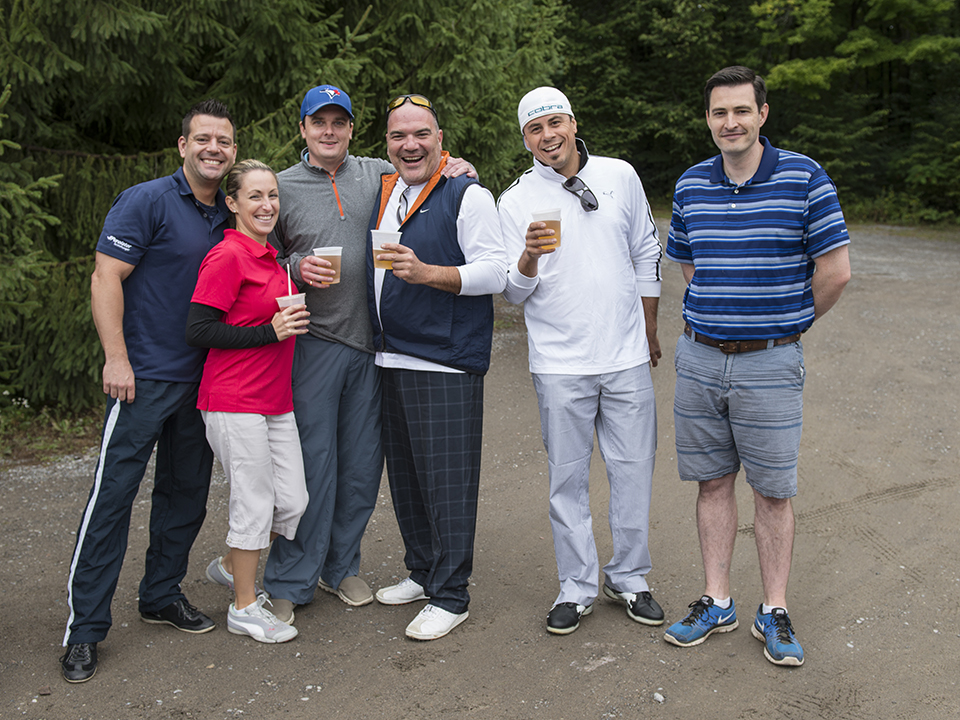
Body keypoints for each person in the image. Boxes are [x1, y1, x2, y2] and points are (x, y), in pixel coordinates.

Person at [263, 85, 475, 624]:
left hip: (375, 348)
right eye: (319, 122)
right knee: (311, 468)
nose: (329, 131)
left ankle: (341, 567)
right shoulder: (281, 187)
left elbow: (423, 164)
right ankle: (290, 579)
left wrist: (458, 167)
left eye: (339, 122)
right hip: (314, 341)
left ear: (353, 130)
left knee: (361, 469)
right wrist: (295, 267)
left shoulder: (378, 174)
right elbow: (259, 256)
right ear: (303, 129)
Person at [662, 66, 851, 667]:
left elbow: (835, 272)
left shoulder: (804, 177)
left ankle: (773, 609)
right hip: (699, 357)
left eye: (741, 110)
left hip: (770, 361)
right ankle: (717, 601)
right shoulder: (691, 184)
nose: (731, 122)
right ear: (708, 118)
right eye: (719, 112)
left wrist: (786, 324)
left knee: (771, 491)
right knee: (712, 482)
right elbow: (691, 266)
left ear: (762, 114)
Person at [61, 99, 237, 683]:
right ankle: (85, 630)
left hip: (203, 382)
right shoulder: (147, 200)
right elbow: (105, 276)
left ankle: (160, 594)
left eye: (224, 141)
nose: (214, 149)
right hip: (142, 380)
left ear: (233, 151)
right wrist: (117, 357)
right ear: (183, 145)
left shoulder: (230, 212)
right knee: (112, 500)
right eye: (203, 139)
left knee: (185, 497)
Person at [498, 87, 664, 635]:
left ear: (573, 122)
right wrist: (528, 256)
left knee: (633, 471)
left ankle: (630, 577)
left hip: (625, 354)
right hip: (559, 363)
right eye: (535, 129)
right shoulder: (514, 200)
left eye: (555, 122)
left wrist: (649, 327)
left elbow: (645, 250)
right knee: (566, 479)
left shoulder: (620, 175)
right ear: (525, 140)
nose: (548, 136)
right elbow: (513, 292)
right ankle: (576, 585)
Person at [367, 93, 507, 641]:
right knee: (406, 478)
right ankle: (423, 572)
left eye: (421, 134)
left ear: (440, 140)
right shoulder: (388, 190)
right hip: (389, 355)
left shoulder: (468, 193)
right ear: (387, 144)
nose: (410, 144)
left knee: (447, 483)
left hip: (444, 360)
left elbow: (495, 272)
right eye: (399, 136)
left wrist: (428, 273)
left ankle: (451, 595)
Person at [186, 159, 310, 643]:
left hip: (275, 399)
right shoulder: (228, 256)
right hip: (233, 398)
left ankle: (228, 564)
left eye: (272, 195)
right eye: (255, 196)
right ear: (232, 203)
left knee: (293, 502)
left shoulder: (270, 258)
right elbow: (198, 330)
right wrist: (268, 332)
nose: (266, 204)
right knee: (254, 502)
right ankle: (243, 607)